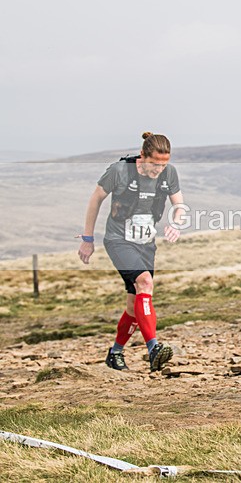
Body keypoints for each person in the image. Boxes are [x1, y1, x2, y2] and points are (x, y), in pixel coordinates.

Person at [78, 132, 185, 373]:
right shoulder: (119, 171)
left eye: (163, 164)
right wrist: (87, 238)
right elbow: (95, 200)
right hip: (119, 240)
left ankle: (115, 353)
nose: (159, 169)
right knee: (145, 283)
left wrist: (176, 223)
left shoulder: (169, 173)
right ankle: (154, 348)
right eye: (154, 163)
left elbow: (179, 204)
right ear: (143, 155)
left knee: (134, 306)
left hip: (146, 244)